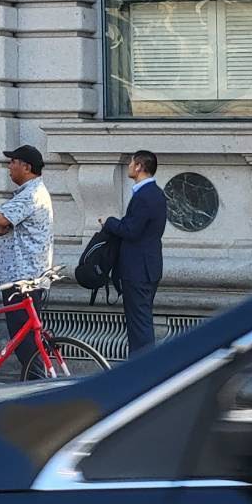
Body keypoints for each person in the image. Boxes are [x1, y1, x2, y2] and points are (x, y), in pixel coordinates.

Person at [0, 144, 54, 372]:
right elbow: (1, 225)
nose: (9, 167)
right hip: (25, 276)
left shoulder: (30, 195)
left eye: (12, 162)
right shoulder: (30, 193)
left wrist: (0, 219)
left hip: (21, 279)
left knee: (24, 342)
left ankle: (36, 386)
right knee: (26, 340)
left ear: (26, 167)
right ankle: (35, 383)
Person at [104, 150, 167, 356]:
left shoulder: (145, 196)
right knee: (141, 319)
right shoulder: (155, 193)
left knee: (139, 324)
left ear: (139, 166)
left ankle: (142, 370)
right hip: (148, 267)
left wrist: (109, 221)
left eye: (131, 163)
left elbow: (131, 230)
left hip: (138, 269)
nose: (129, 166)